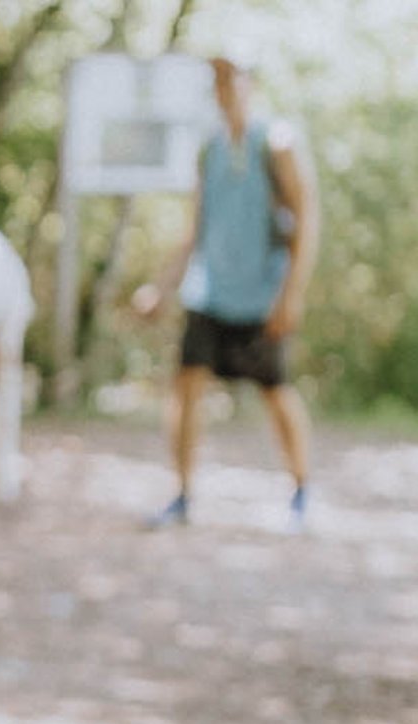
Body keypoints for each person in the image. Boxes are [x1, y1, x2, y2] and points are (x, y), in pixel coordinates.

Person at [133, 52, 319, 531]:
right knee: (186, 386)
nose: (223, 88)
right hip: (210, 292)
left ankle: (301, 491)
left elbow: (307, 221)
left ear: (249, 82)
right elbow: (194, 230)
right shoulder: (209, 149)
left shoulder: (276, 143)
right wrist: (161, 287)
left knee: (276, 393)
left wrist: (291, 295)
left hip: (261, 295)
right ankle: (182, 495)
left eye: (231, 77)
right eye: (216, 79)